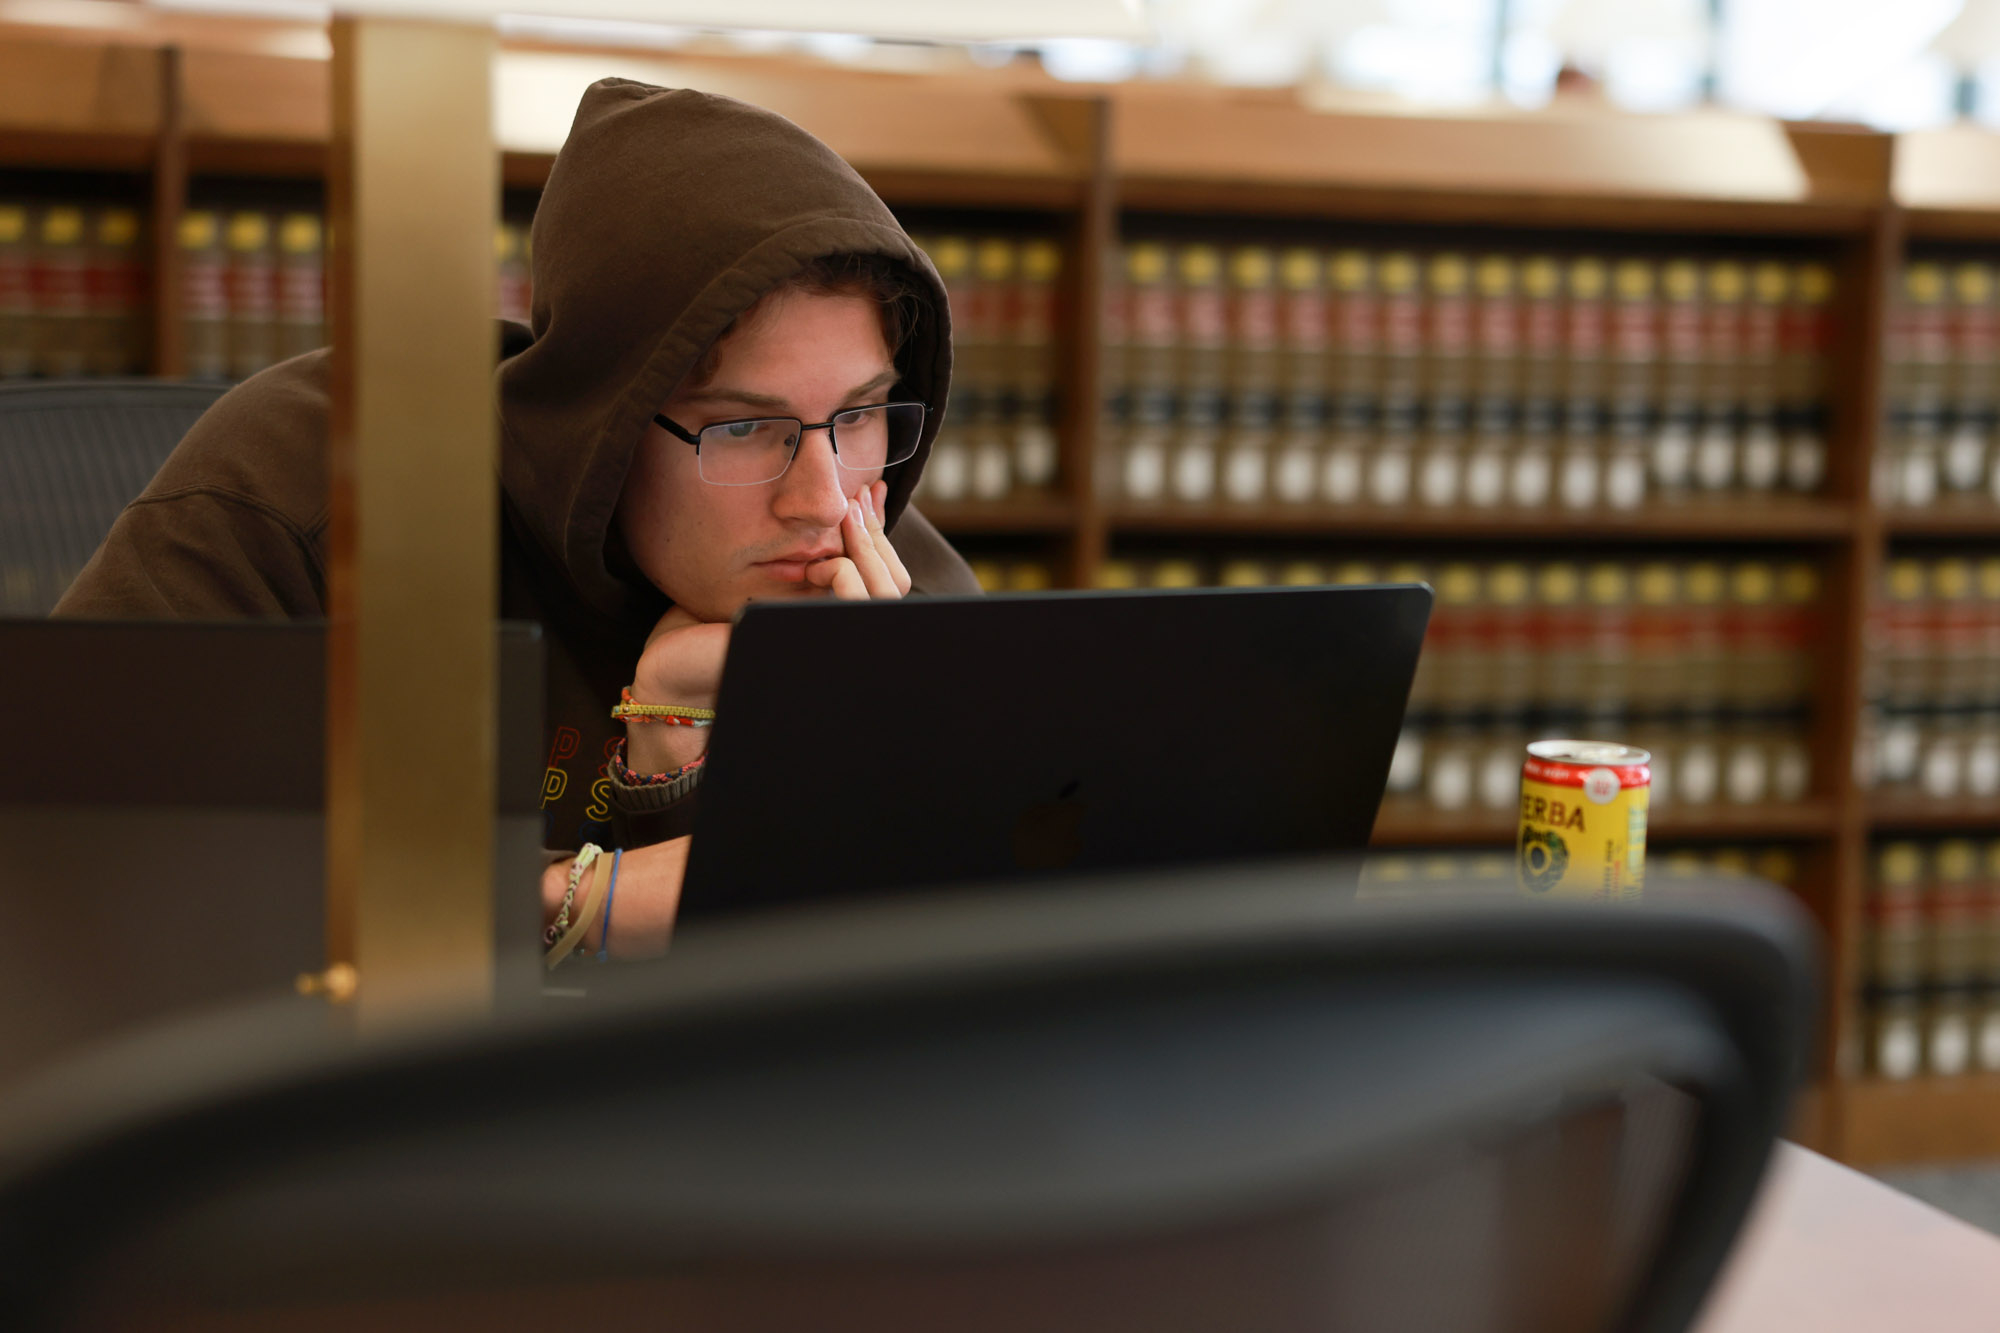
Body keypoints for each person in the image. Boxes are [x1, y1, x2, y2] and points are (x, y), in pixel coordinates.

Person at [55, 78, 981, 960]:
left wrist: (696, 764)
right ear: (608, 416)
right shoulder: (305, 488)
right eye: (743, 427)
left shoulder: (896, 593)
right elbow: (68, 848)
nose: (822, 499)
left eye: (859, 414)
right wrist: (584, 900)